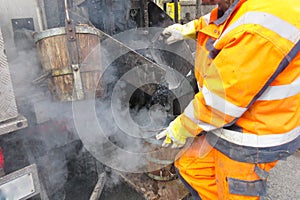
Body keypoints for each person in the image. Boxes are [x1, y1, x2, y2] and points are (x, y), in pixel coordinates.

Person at [156, 0, 300, 199]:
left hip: (251, 136)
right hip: (233, 118)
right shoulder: (244, 7)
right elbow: (225, 20)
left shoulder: (259, 27)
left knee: (234, 192)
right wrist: (191, 28)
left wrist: (182, 127)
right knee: (191, 165)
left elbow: (222, 98)